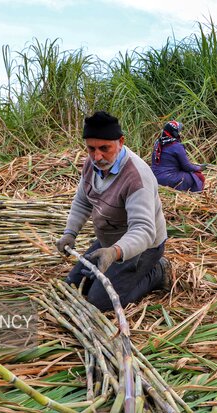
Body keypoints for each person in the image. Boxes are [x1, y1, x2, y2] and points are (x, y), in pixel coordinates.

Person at [55, 111, 170, 311]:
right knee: (72, 286)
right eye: (91, 149)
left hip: (142, 247)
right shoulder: (91, 165)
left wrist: (114, 253)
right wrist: (70, 233)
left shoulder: (136, 177)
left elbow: (143, 230)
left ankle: (158, 271)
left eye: (104, 148)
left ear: (120, 142)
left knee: (100, 302)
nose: (97, 156)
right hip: (109, 241)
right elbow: (83, 201)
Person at [151, 120, 207, 192]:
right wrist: (199, 167)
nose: (180, 133)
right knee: (198, 176)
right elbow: (186, 167)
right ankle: (196, 193)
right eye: (179, 131)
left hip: (154, 177)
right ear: (174, 133)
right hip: (168, 179)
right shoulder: (176, 146)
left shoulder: (158, 143)